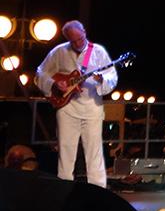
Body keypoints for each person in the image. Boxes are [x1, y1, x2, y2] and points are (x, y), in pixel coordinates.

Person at [35, 20, 118, 188]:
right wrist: (54, 83)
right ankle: (64, 189)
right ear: (67, 39)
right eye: (73, 41)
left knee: (94, 151)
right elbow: (40, 73)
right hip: (67, 107)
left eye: (80, 39)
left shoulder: (98, 52)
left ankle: (98, 190)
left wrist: (102, 79)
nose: (78, 44)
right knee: (66, 151)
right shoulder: (59, 51)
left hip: (92, 107)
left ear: (84, 32)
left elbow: (112, 76)